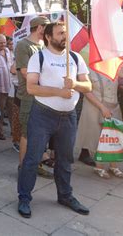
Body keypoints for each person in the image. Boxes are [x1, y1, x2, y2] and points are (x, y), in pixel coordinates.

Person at [17, 22, 92, 218]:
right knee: (32, 159)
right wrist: (59, 91)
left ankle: (65, 196)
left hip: (68, 117)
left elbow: (88, 85)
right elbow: (32, 87)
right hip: (42, 115)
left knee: (65, 160)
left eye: (65, 33)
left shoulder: (75, 57)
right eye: (60, 34)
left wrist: (75, 83)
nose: (64, 37)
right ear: (48, 37)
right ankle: (24, 198)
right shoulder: (38, 57)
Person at [15, 16, 53, 178]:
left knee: (39, 134)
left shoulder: (44, 45)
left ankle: (35, 164)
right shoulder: (23, 45)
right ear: (40, 28)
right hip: (29, 96)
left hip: (42, 96)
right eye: (47, 28)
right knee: (26, 133)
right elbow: (24, 71)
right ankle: (23, 168)